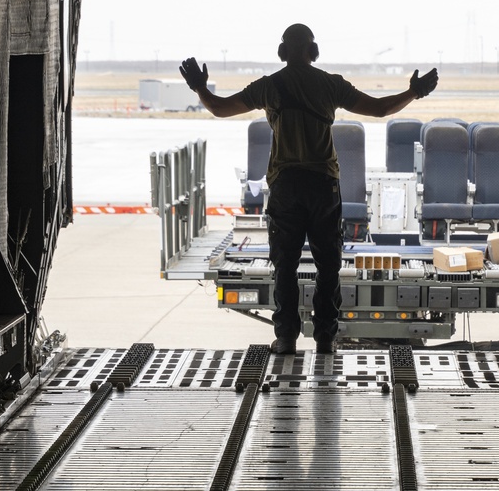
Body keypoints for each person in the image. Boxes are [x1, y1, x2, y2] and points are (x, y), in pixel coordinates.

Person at [179, 23, 438, 355]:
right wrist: (414, 92)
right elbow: (380, 109)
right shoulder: (330, 85)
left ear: (283, 51)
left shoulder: (270, 86)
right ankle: (326, 339)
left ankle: (286, 338)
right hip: (323, 186)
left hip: (286, 187)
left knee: (285, 265)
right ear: (313, 51)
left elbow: (219, 108)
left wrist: (200, 88)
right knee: (328, 265)